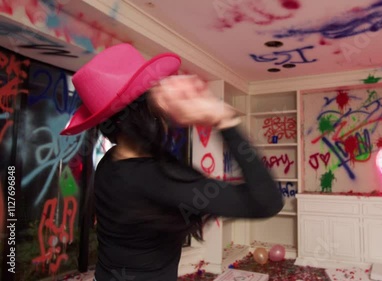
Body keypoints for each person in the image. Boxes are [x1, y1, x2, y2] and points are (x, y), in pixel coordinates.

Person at [60, 44, 284, 280]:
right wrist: (222, 118)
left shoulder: (108, 164)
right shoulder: (156, 179)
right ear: (145, 114)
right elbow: (267, 201)